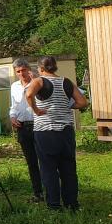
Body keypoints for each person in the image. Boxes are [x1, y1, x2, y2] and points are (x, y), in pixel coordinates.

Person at [25, 56, 88, 211]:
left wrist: (36, 110)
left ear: (40, 68)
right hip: (66, 131)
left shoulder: (39, 81)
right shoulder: (66, 81)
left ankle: (54, 205)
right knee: (68, 168)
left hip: (45, 131)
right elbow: (83, 102)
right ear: (55, 67)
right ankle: (71, 203)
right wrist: (66, 107)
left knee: (48, 169)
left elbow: (28, 95)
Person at [9, 58, 43, 203]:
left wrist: (36, 81)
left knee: (45, 159)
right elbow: (14, 105)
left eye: (23, 70)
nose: (21, 73)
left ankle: (52, 190)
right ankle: (38, 193)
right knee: (31, 161)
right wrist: (12, 116)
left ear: (29, 69)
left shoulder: (38, 82)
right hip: (22, 127)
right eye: (18, 71)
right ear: (15, 72)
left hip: (38, 124)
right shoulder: (14, 86)